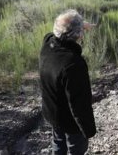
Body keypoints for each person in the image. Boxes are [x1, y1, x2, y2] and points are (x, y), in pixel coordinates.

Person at [39, 9, 96, 155]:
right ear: (79, 35)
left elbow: (58, 31)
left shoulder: (47, 43)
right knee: (75, 149)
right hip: (71, 122)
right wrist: (88, 130)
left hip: (52, 112)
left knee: (58, 142)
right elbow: (79, 103)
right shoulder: (74, 64)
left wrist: (80, 25)